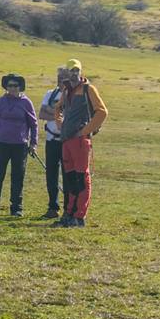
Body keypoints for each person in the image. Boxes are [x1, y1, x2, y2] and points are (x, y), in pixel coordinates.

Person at [50, 59, 108, 227]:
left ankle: (79, 216)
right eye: (71, 70)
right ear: (66, 73)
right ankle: (69, 214)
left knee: (81, 178)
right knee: (70, 178)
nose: (74, 73)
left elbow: (102, 112)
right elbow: (58, 108)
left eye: (77, 70)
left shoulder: (88, 89)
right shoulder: (66, 90)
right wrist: (61, 125)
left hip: (80, 141)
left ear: (81, 72)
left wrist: (85, 131)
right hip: (66, 140)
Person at [0, 73, 38, 216]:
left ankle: (16, 208)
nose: (12, 88)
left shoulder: (26, 102)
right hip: (1, 144)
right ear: (6, 87)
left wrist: (33, 143)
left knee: (18, 177)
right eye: (9, 86)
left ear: (20, 87)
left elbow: (33, 124)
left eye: (15, 86)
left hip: (20, 145)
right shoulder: (0, 102)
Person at [37, 66, 71, 219]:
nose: (61, 82)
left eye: (64, 79)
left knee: (67, 174)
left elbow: (70, 116)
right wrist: (58, 113)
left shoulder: (74, 95)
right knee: (51, 174)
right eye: (59, 79)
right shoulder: (50, 94)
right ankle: (53, 206)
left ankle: (68, 207)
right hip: (51, 140)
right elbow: (41, 113)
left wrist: (52, 111)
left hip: (67, 141)